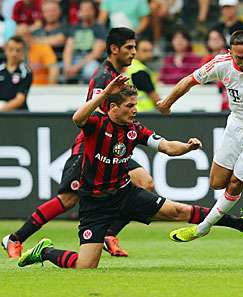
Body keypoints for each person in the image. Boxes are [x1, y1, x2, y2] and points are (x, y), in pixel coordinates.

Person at [17, 77, 243, 269]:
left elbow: (167, 146)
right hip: (95, 204)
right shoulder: (96, 125)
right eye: (129, 105)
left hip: (126, 194)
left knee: (179, 210)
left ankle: (240, 224)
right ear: (112, 107)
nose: (134, 110)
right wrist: (103, 93)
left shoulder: (135, 130)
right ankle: (45, 251)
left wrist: (187, 147)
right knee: (86, 265)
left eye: (135, 105)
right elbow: (77, 117)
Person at [1, 28, 153, 259]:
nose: (134, 52)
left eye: (134, 47)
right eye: (129, 48)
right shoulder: (103, 77)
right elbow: (94, 114)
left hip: (111, 146)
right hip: (92, 148)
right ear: (114, 49)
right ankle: (15, 238)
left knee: (145, 183)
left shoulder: (116, 76)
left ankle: (109, 234)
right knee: (68, 199)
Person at [157, 30, 243, 242]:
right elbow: (189, 80)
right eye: (239, 57)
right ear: (229, 53)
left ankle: (202, 228)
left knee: (235, 183)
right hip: (235, 126)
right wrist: (168, 101)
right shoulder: (220, 64)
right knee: (217, 183)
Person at [62, 0, 107, 83]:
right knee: (58, 68)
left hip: (90, 61)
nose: (85, 12)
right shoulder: (74, 28)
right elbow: (68, 49)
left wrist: (76, 67)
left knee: (90, 71)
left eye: (88, 9)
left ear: (94, 11)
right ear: (79, 12)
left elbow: (96, 53)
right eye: (83, 9)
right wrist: (67, 66)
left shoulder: (99, 28)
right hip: (74, 59)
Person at [126, 39, 160, 112]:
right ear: (135, 51)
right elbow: (156, 100)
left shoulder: (130, 67)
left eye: (150, 50)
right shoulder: (140, 72)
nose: (149, 54)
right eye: (145, 51)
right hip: (145, 114)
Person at [0, 36, 32, 111]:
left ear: (22, 52)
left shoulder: (25, 72)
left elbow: (19, 100)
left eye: (18, 50)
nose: (14, 54)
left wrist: (1, 110)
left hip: (18, 114)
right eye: (11, 49)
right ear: (6, 50)